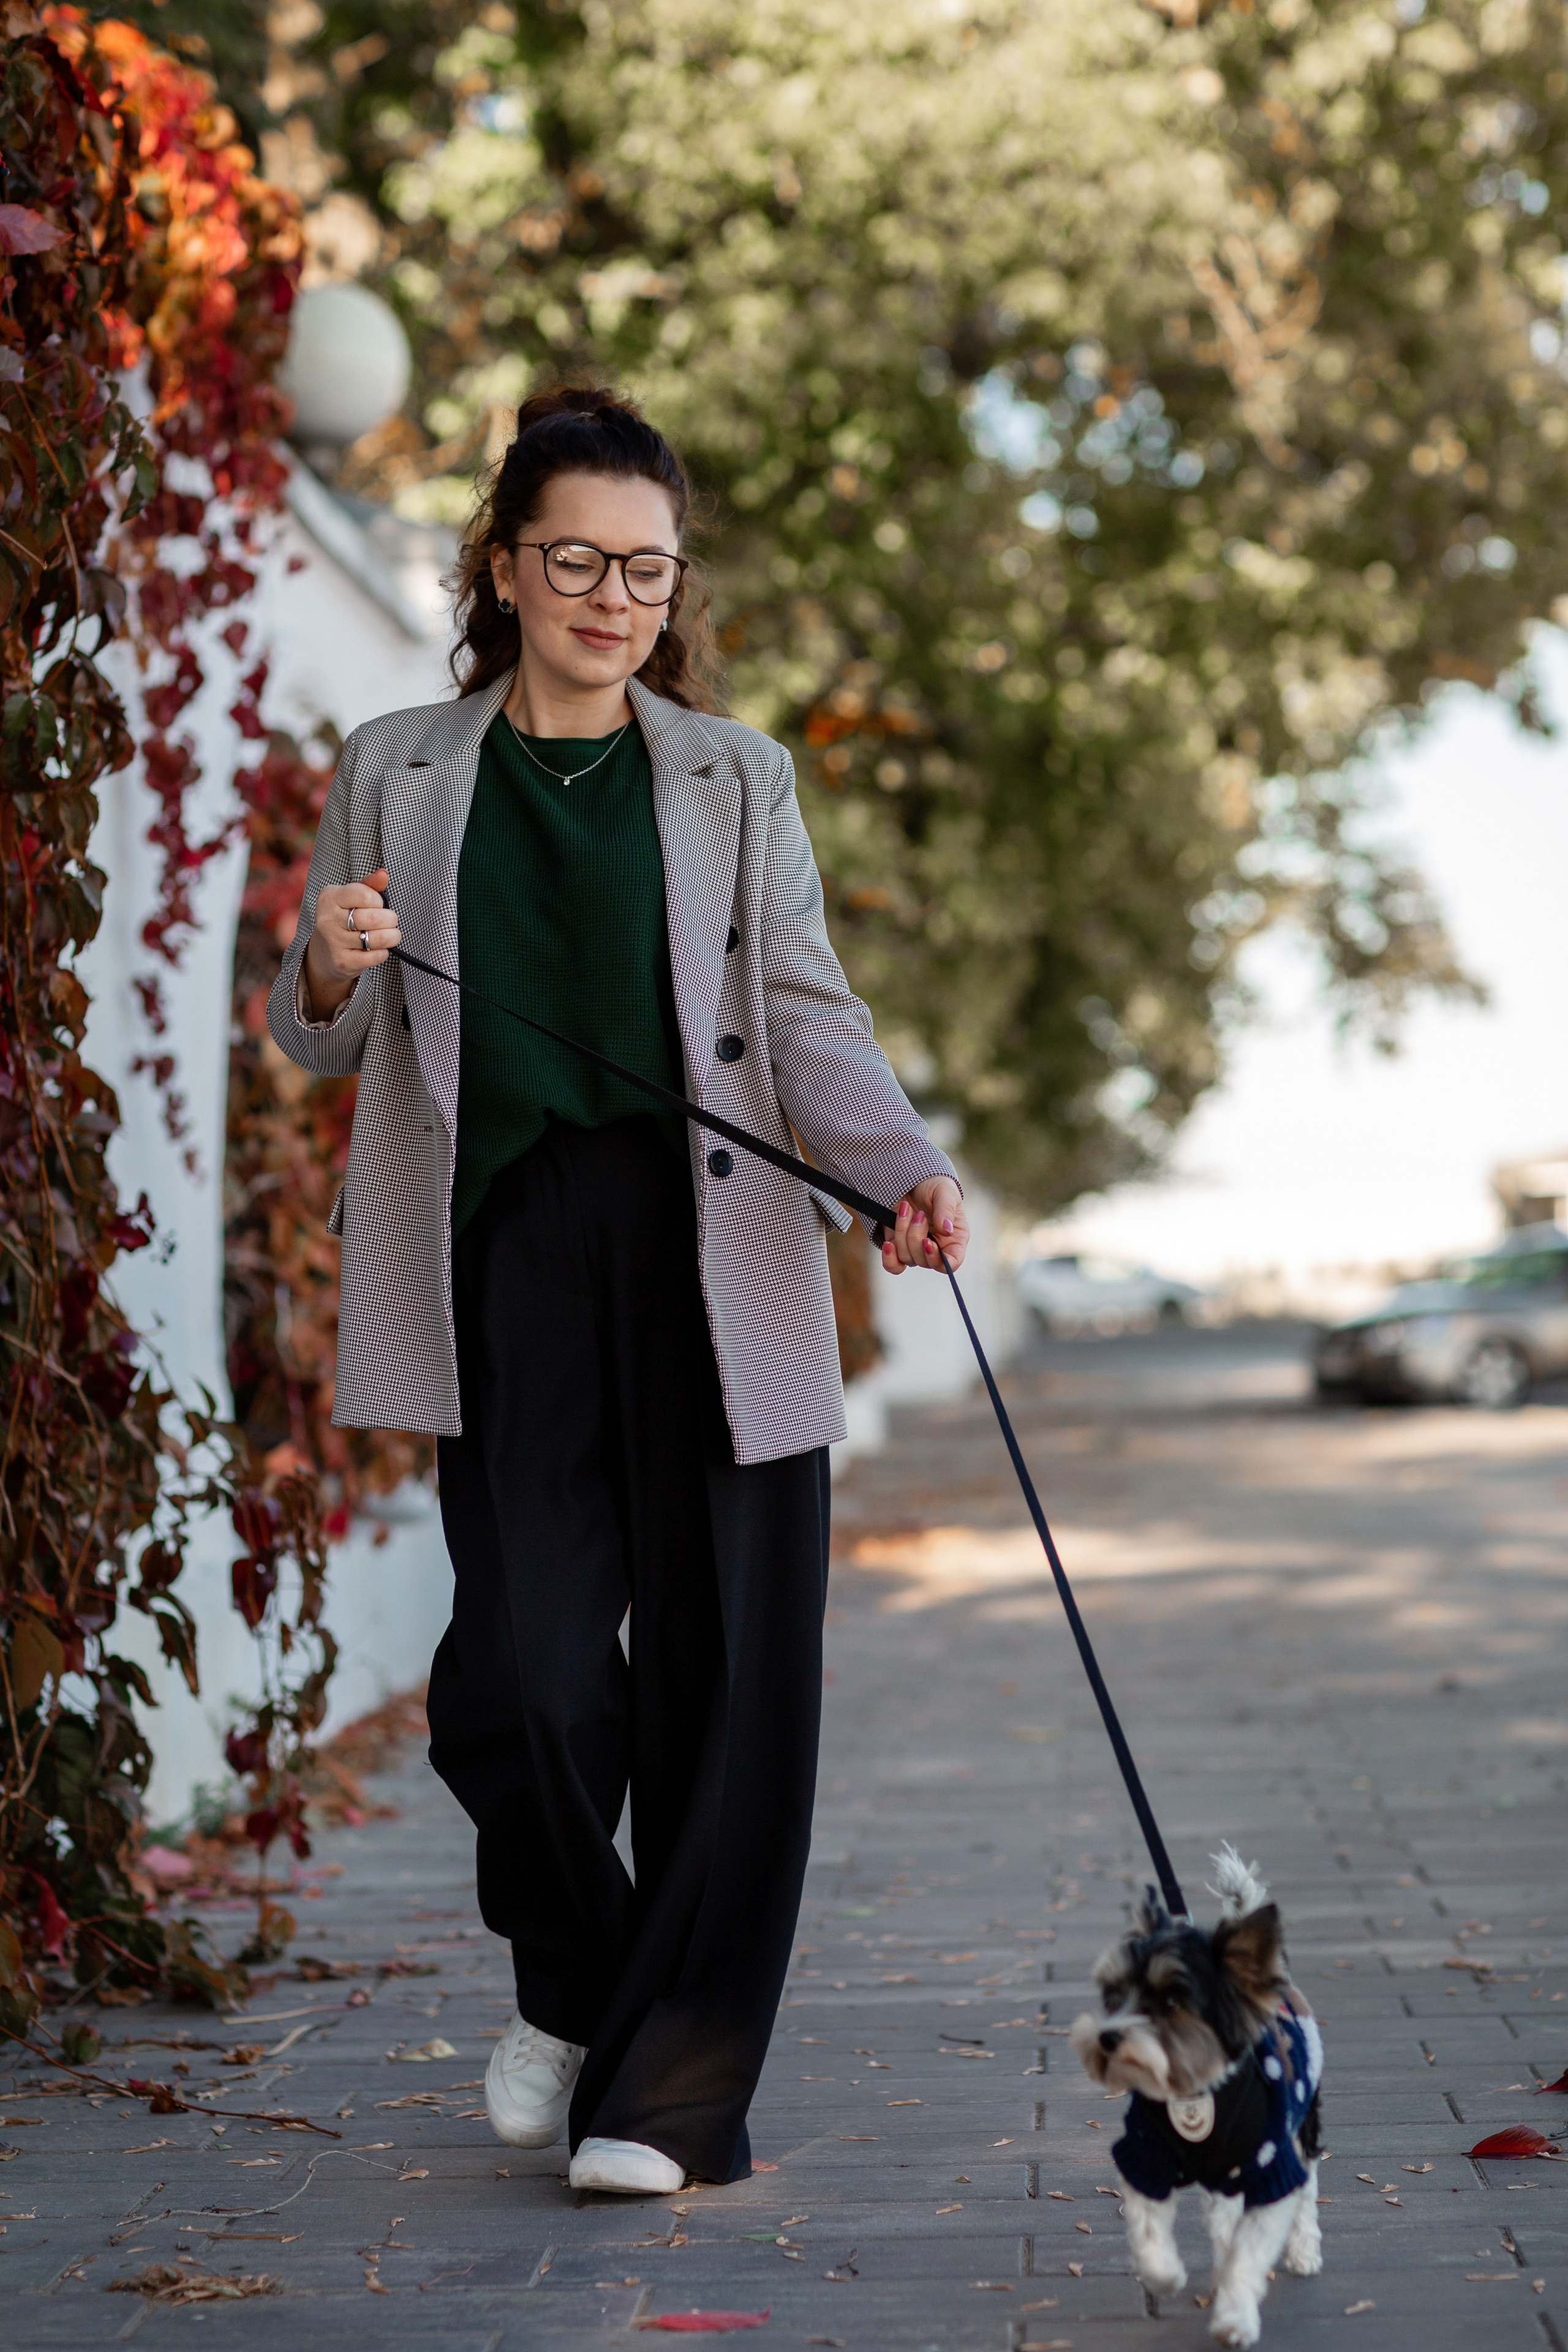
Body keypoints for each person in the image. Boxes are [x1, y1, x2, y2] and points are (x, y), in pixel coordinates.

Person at [267, 385, 967, 2195]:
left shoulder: (736, 777)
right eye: (574, 557)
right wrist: (325, 952)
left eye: (645, 569)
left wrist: (898, 1170)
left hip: (720, 1254)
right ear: (503, 564)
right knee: (520, 1679)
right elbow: (322, 1034)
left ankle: (671, 2100)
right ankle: (576, 1979)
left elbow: (804, 1008)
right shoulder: (399, 764)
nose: (611, 595)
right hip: (503, 1254)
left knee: (730, 1682)